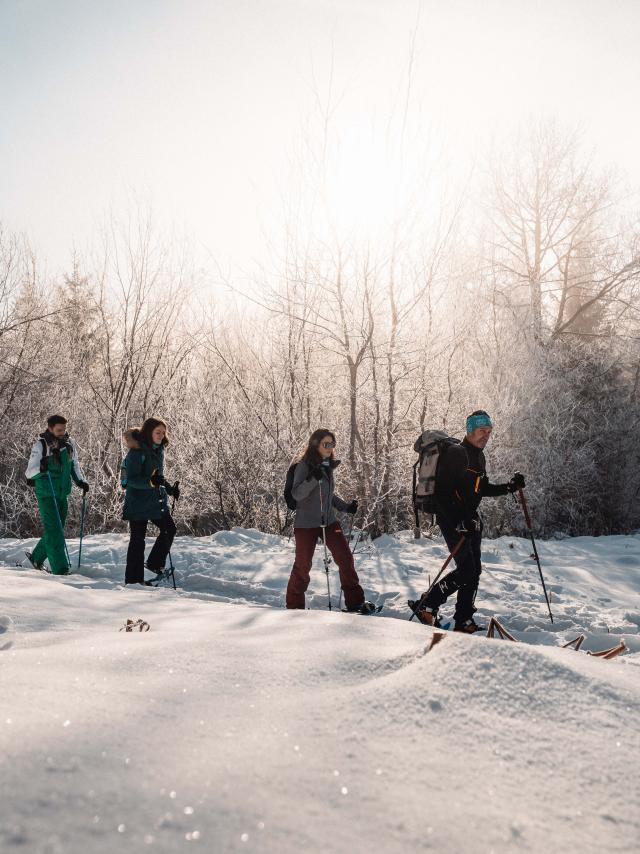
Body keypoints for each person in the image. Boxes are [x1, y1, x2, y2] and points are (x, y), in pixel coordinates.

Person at [415, 410, 525, 633]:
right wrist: (459, 520)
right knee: (466, 570)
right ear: (470, 430)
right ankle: (427, 604)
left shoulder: (478, 456)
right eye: (482, 430)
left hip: (470, 520)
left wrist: (509, 487)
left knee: (474, 571)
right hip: (454, 520)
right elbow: (443, 493)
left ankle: (464, 619)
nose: (486, 435)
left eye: (489, 431)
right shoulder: (457, 453)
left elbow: (481, 488)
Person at [286, 428, 373, 613]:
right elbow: (297, 494)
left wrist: (345, 507)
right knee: (303, 566)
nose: (330, 447)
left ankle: (355, 603)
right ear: (315, 445)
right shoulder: (303, 466)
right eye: (326, 444)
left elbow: (328, 495)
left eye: (332, 444)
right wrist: (311, 478)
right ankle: (294, 607)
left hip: (329, 521)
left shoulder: (327, 466)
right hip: (306, 524)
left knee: (345, 558)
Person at [25, 414, 89, 575]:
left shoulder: (69, 444)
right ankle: (61, 569)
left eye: (64, 429)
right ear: (50, 428)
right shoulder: (41, 445)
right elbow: (29, 473)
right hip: (47, 493)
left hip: (62, 493)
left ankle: (35, 558)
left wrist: (80, 481)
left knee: (56, 530)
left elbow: (74, 465)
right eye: (59, 430)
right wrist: (41, 467)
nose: (62, 432)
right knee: (55, 531)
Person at [121, 418, 179, 586]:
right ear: (149, 433)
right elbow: (129, 480)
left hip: (155, 502)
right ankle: (133, 580)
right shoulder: (136, 452)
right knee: (137, 541)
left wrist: (169, 489)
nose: (161, 436)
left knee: (169, 529)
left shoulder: (158, 450)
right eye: (157, 432)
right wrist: (150, 483)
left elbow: (157, 477)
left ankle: (154, 564)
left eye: (163, 432)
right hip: (137, 502)